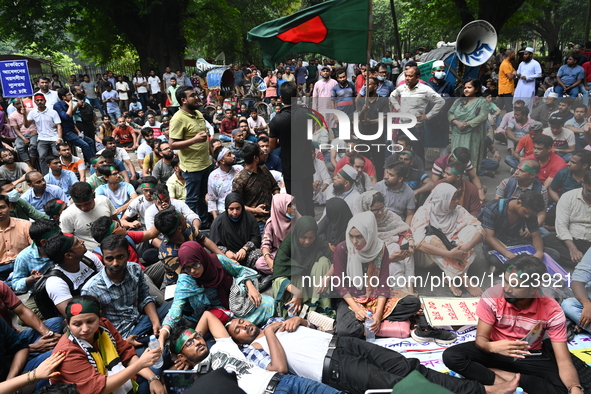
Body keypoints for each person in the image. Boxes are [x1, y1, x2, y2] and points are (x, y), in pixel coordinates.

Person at [226, 316, 520, 394]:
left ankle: (481, 389)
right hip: (333, 369)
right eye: (237, 328)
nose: (243, 325)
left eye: (240, 320)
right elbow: (279, 369)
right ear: (236, 339)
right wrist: (270, 334)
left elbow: (320, 325)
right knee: (406, 388)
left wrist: (301, 321)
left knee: (410, 367)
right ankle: (479, 391)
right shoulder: (253, 352)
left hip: (342, 345)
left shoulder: (273, 322)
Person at [443, 255, 583, 394]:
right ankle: (507, 383)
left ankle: (494, 374)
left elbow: (564, 361)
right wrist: (491, 346)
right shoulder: (492, 296)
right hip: (494, 350)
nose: (508, 289)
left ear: (534, 288)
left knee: (563, 389)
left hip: (528, 355)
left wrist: (575, 387)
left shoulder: (552, 310)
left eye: (516, 285)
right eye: (506, 281)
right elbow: (481, 339)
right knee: (452, 356)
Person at [169, 311, 346, 394]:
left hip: (287, 380)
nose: (198, 342)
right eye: (189, 343)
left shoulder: (221, 345)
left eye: (197, 337)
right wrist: (188, 364)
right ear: (181, 356)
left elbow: (207, 315)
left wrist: (191, 338)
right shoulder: (193, 378)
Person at [157, 241, 274, 349]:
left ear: (202, 259)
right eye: (187, 268)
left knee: (269, 304)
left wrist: (250, 286)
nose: (193, 271)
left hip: (233, 305)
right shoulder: (186, 281)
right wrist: (164, 331)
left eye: (195, 265)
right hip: (205, 319)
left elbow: (240, 271)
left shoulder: (218, 261)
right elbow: (176, 308)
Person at [50, 295, 166, 394]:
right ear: (68, 324)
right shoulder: (67, 351)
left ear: (100, 317)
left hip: (118, 380)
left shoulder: (104, 326)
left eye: (90, 321)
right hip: (99, 389)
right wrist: (140, 364)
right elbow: (98, 389)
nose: (85, 329)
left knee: (159, 364)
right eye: (77, 324)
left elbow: (126, 354)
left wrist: (153, 379)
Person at [332, 211, 422, 338]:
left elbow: (384, 284)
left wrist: (378, 314)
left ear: (369, 234)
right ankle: (369, 322)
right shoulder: (343, 249)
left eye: (359, 237)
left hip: (375, 297)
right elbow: (340, 285)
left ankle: (369, 322)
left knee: (413, 303)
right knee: (345, 330)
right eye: (351, 236)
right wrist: (357, 310)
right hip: (351, 300)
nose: (354, 241)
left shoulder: (380, 249)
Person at [81, 235, 171, 341]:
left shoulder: (135, 269)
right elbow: (93, 327)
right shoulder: (91, 290)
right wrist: (122, 344)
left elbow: (145, 298)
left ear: (128, 254)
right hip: (123, 337)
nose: (115, 263)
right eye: (109, 259)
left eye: (120, 257)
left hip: (142, 321)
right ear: (103, 259)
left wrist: (156, 323)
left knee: (174, 306)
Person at [414, 183, 486, 296]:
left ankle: (450, 276)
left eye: (457, 197)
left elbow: (480, 230)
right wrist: (449, 254)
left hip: (452, 250)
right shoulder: (424, 212)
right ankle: (464, 280)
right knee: (431, 239)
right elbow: (418, 244)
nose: (457, 201)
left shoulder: (458, 210)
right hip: (426, 258)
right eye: (453, 199)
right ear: (443, 199)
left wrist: (468, 246)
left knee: (471, 230)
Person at [479, 190, 558, 270]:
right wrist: (510, 255)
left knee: (554, 254)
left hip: (516, 241)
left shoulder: (530, 213)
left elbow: (536, 236)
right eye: (525, 212)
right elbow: (489, 237)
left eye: (530, 214)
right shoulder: (493, 207)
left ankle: (515, 267)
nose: (527, 216)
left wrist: (539, 252)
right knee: (495, 260)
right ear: (518, 203)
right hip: (496, 244)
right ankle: (527, 267)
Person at [273, 216, 333, 318]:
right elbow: (278, 274)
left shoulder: (319, 240)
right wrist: (297, 292)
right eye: (303, 237)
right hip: (296, 284)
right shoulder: (288, 244)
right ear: (297, 234)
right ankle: (299, 312)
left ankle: (318, 308)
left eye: (311, 237)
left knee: (323, 262)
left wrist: (326, 278)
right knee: (294, 274)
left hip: (313, 283)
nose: (307, 241)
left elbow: (335, 261)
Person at [169, 86, 212, 227]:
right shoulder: (178, 119)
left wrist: (213, 155)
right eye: (193, 95)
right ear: (183, 100)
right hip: (192, 167)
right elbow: (172, 144)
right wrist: (193, 140)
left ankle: (204, 223)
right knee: (192, 199)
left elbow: (205, 138)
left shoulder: (198, 114)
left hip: (206, 163)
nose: (197, 97)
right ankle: (189, 227)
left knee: (203, 197)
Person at [356, 190, 416, 291]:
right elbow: (364, 256)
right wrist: (389, 258)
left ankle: (410, 288)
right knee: (395, 264)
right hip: (377, 256)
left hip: (391, 245)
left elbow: (404, 229)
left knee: (406, 249)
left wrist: (410, 242)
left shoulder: (387, 213)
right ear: (367, 209)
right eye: (375, 210)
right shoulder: (360, 224)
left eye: (382, 208)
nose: (380, 213)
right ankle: (402, 291)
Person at [390, 65, 445, 160]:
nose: (407, 78)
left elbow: (440, 101)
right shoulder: (402, 88)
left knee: (417, 154)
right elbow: (392, 96)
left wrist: (428, 116)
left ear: (417, 77)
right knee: (401, 154)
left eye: (410, 76)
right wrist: (398, 108)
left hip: (417, 128)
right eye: (406, 76)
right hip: (403, 126)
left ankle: (418, 173)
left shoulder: (425, 89)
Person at [542, 172, 591, 269]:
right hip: (570, 240)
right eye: (589, 191)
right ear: (583, 183)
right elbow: (561, 226)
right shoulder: (568, 197)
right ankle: (585, 264)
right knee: (547, 240)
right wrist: (573, 249)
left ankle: (581, 263)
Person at [232, 142, 280, 234]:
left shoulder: (263, 168)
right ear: (255, 158)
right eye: (261, 153)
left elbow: (274, 186)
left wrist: (277, 201)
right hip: (256, 222)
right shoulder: (240, 179)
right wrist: (255, 210)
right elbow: (235, 205)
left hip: (274, 215)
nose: (264, 154)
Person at [60, 182, 118, 252]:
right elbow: (68, 239)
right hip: (90, 253)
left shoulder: (104, 201)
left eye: (87, 203)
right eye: (78, 205)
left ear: (94, 196)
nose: (84, 208)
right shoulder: (67, 215)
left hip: (114, 245)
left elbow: (115, 220)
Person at [210, 193, 262, 269]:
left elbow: (256, 238)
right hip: (227, 256)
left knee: (258, 255)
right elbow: (213, 244)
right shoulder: (218, 222)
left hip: (246, 253)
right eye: (231, 209)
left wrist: (245, 249)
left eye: (238, 208)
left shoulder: (249, 218)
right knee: (216, 259)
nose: (235, 212)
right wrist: (226, 252)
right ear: (226, 208)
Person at [449, 79, 490, 173]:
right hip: (457, 133)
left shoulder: (481, 102)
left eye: (469, 87)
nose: (466, 90)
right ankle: (454, 175)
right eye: (465, 87)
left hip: (473, 134)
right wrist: (457, 122)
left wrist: (467, 124)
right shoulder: (459, 101)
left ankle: (472, 178)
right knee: (456, 155)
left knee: (472, 156)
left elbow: (483, 116)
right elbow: (450, 113)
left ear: (476, 89)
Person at [254, 194, 299, 276]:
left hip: (297, 253)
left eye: (295, 204)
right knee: (260, 263)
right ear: (280, 207)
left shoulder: (299, 219)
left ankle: (284, 272)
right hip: (280, 254)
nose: (294, 207)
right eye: (290, 205)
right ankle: (293, 271)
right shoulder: (271, 223)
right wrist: (269, 260)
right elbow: (265, 243)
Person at [24, 93, 62, 175]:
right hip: (42, 138)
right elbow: (27, 125)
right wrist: (24, 114)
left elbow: (59, 125)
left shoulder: (53, 112)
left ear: (45, 101)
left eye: (41, 100)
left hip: (54, 137)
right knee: (42, 156)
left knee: (57, 154)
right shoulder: (33, 113)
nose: (39, 102)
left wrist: (59, 139)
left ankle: (61, 172)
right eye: (37, 100)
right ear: (35, 102)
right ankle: (45, 176)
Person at [373, 161, 416, 225]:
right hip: (379, 221)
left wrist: (407, 231)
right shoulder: (379, 187)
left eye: (391, 175)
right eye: (387, 173)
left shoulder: (409, 193)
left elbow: (410, 215)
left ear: (400, 179)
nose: (386, 176)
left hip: (397, 223)